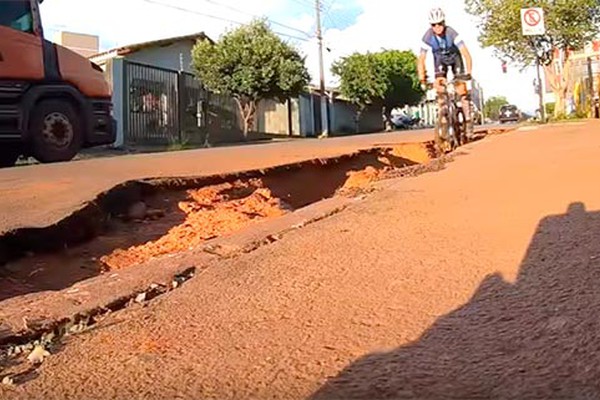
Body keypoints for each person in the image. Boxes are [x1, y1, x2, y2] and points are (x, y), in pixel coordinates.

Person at [417, 7, 474, 139]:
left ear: (444, 22)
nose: (437, 27)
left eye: (440, 23)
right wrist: (422, 79)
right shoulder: (427, 37)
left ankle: (468, 120)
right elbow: (421, 59)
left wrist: (468, 74)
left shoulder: (452, 33)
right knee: (440, 90)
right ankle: (443, 119)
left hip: (456, 59)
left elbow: (466, 54)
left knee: (461, 90)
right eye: (433, 25)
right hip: (439, 60)